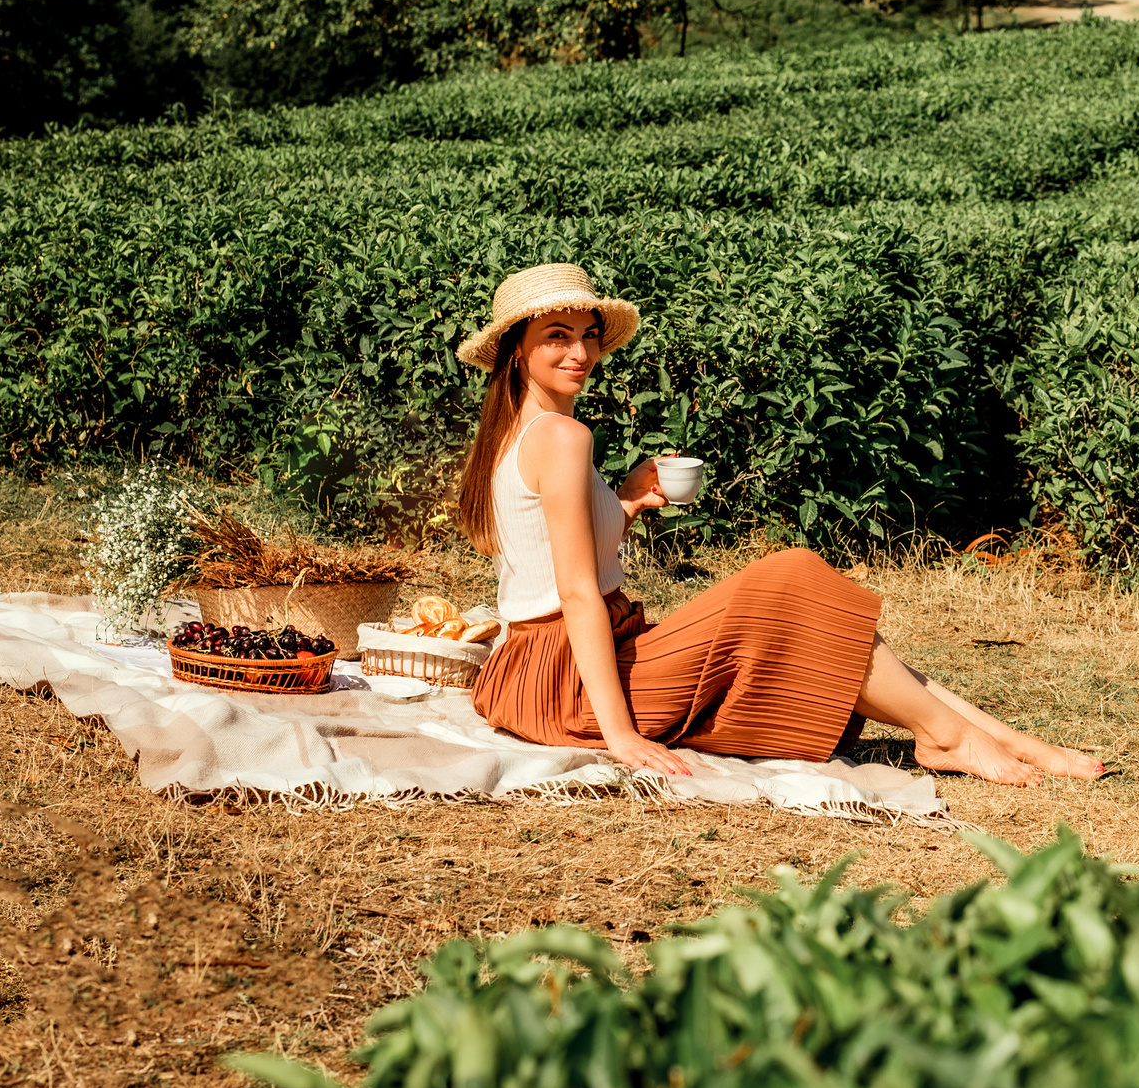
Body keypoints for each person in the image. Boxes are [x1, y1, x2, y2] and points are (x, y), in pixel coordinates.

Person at [456, 262, 1102, 787]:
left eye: (588, 332)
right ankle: (951, 735)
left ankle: (994, 737)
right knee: (790, 579)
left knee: (803, 602)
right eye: (557, 336)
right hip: (566, 673)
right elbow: (572, 592)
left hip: (532, 671)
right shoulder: (563, 436)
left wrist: (623, 502)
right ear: (517, 351)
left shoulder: (517, 431)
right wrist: (620, 735)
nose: (580, 351)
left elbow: (555, 555)